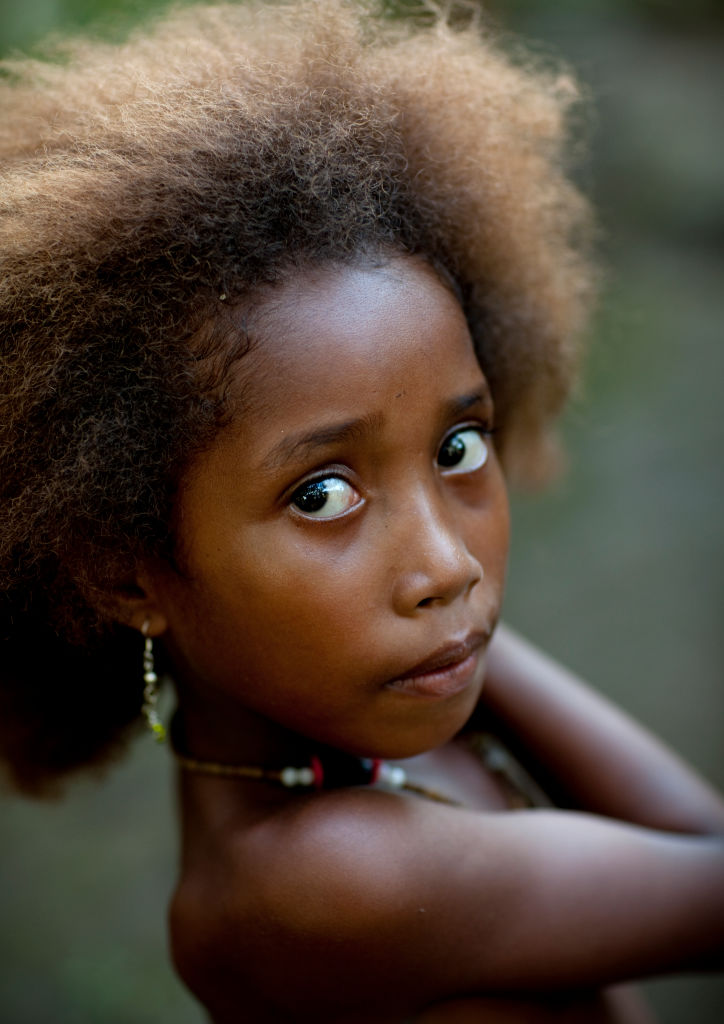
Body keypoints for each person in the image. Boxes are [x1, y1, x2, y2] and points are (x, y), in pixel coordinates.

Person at [1, 1, 722, 1021]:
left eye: (458, 447)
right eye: (322, 494)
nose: (444, 563)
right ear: (127, 575)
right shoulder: (324, 883)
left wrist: (455, 621)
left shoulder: (343, 717)